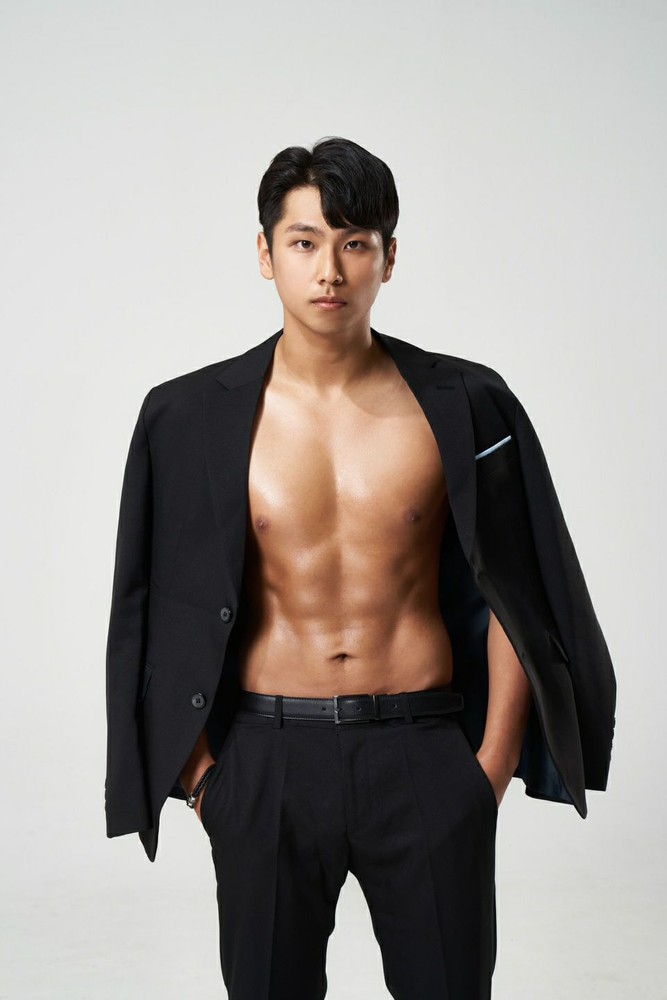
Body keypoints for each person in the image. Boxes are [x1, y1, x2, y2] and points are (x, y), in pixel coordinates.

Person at [105, 136, 616, 999]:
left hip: (423, 751)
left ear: (389, 257)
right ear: (265, 254)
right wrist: (203, 781)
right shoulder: (186, 416)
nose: (330, 270)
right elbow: (152, 603)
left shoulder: (465, 402)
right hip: (264, 758)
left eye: (354, 243)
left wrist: (487, 768)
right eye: (304, 241)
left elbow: (516, 592)